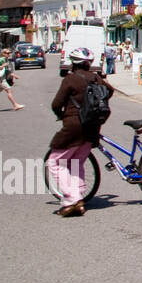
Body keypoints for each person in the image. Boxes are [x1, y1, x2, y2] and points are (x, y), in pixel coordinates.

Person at [47, 47, 115, 217]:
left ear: (72, 62)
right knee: (77, 161)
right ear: (89, 63)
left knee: (55, 162)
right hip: (93, 126)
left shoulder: (70, 79)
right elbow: (110, 91)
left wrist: (61, 115)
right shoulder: (97, 79)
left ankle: (71, 199)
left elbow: (56, 104)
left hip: (74, 126)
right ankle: (78, 195)